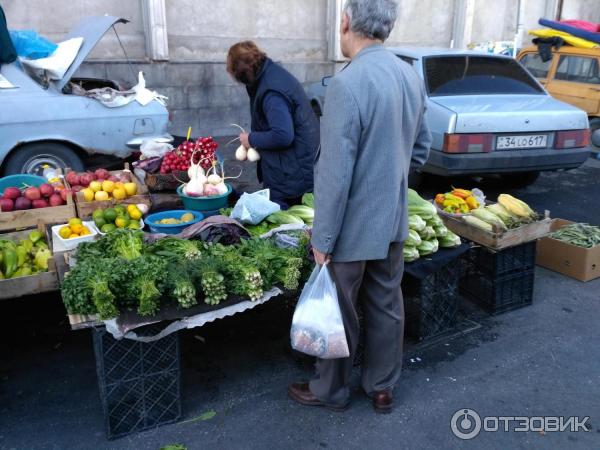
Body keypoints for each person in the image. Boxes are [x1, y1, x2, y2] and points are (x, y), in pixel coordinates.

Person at [288, 0, 431, 413]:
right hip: (393, 217)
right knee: (387, 303)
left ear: (346, 21)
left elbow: (334, 174)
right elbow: (419, 150)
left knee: (340, 307)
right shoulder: (409, 75)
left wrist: (323, 236)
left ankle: (330, 390)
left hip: (352, 223)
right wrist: (394, 179)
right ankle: (382, 387)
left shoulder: (348, 84)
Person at [226, 41, 319, 208]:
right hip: (293, 166)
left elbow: (283, 135)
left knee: (288, 222)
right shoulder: (269, 74)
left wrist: (252, 139)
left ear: (242, 72)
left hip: (291, 174)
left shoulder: (271, 92)